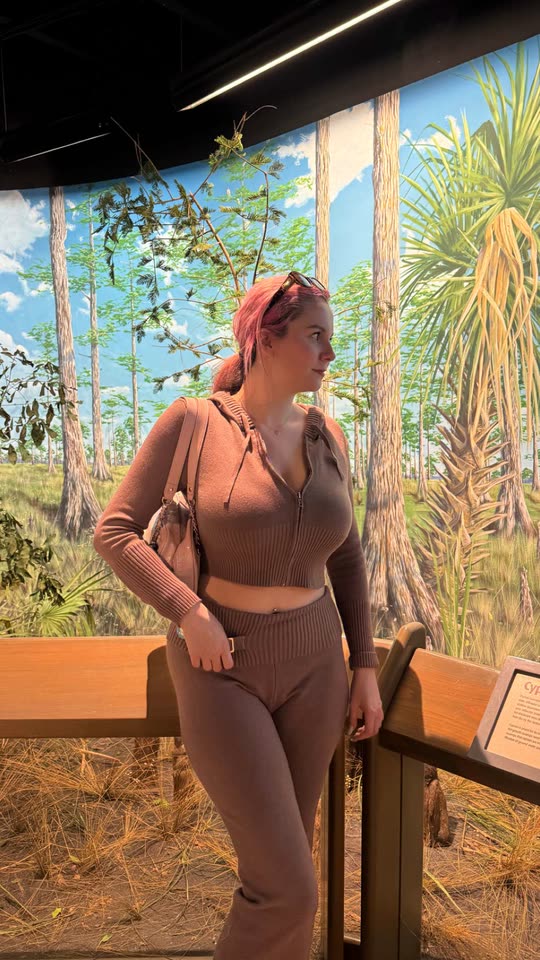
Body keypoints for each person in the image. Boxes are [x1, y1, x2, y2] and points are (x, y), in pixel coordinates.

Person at [93, 270, 383, 960]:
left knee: (282, 871)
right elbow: (115, 532)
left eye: (331, 338)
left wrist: (365, 666)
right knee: (290, 889)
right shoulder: (194, 422)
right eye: (315, 336)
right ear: (265, 339)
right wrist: (187, 610)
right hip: (222, 664)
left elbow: (346, 556)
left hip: (316, 667)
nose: (329, 353)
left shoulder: (328, 435)